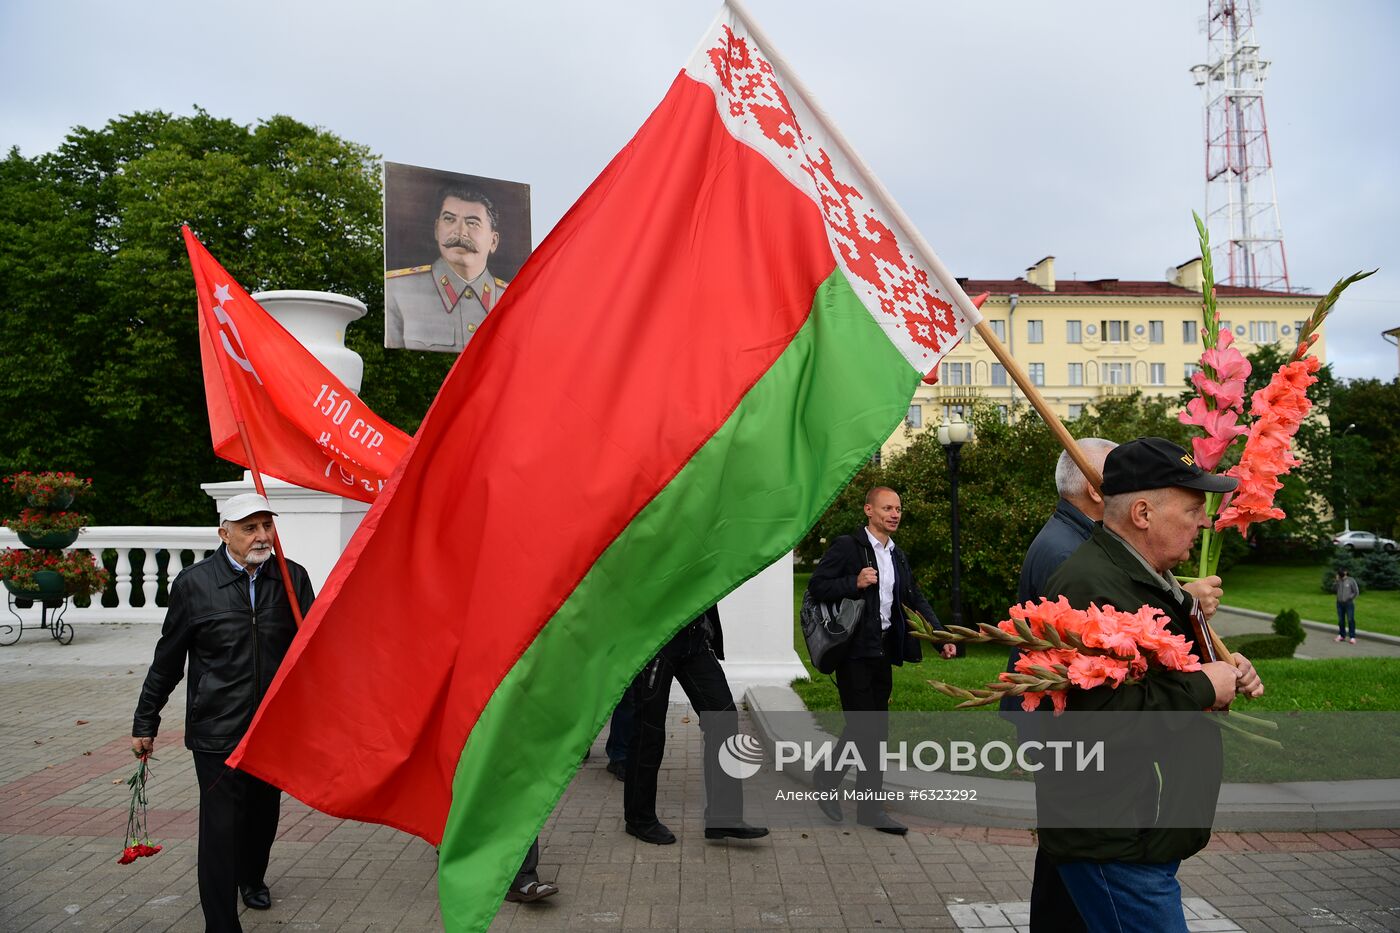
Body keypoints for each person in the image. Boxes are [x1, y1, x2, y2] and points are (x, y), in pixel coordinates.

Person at [1037, 437, 1263, 932]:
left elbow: (1162, 672)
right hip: (1115, 838)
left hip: (1139, 830)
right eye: (1192, 509)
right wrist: (1204, 688)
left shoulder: (1143, 578)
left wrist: (1223, 670)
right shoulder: (1090, 589)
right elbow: (1095, 723)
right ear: (1142, 512)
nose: (1203, 522)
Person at [131, 494, 315, 933]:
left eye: (266, 526)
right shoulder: (195, 584)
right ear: (224, 534)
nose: (262, 536)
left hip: (273, 725)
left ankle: (251, 878)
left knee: (261, 813)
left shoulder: (291, 578)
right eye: (249, 528)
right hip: (216, 727)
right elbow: (168, 659)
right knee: (220, 827)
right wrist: (146, 720)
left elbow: (314, 650)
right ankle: (221, 921)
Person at [807, 486, 955, 835]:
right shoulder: (849, 547)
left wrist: (939, 636)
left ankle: (828, 778)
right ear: (869, 510)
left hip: (883, 652)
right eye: (887, 508)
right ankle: (868, 809)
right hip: (853, 652)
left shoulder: (896, 555)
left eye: (899, 508)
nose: (894, 514)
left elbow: (913, 597)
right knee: (867, 730)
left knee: (869, 728)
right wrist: (853, 581)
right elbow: (816, 586)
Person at [623, 605, 768, 845]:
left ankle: (724, 817)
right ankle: (639, 817)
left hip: (694, 634)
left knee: (723, 718)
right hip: (655, 637)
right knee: (650, 729)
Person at [384, 186, 509, 353]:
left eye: (473, 223)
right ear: (437, 229)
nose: (460, 232)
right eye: (449, 219)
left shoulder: (513, 300)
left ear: (493, 241)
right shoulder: (397, 290)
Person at [1335, 568, 1359, 644]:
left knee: (1350, 619)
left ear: (1346, 572)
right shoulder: (1339, 581)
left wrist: (1349, 598)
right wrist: (1336, 581)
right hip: (1339, 603)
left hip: (1349, 604)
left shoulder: (1351, 580)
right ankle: (1342, 635)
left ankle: (1352, 637)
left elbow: (1356, 592)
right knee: (1341, 620)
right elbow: (1334, 589)